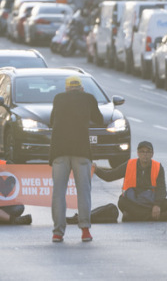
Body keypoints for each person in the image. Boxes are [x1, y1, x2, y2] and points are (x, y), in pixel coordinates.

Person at [49, 75, 103, 243]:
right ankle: (85, 230)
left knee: (59, 192)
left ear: (66, 89)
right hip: (81, 150)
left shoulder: (58, 98)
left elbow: (51, 121)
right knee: (83, 191)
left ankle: (58, 233)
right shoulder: (88, 98)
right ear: (81, 88)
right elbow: (99, 120)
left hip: (59, 150)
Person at [93, 141, 167, 222]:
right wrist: (96, 169)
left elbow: (162, 189)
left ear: (152, 154)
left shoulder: (158, 167)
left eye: (148, 152)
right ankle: (150, 216)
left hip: (149, 201)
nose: (145, 154)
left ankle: (132, 217)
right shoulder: (129, 164)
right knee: (122, 202)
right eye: (142, 151)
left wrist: (156, 205)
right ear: (138, 153)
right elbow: (110, 176)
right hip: (133, 200)